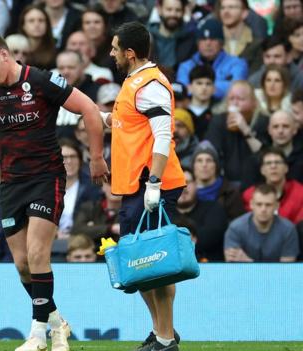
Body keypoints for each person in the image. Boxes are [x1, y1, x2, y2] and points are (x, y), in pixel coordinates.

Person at [0, 31, 109, 351]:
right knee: (22, 264)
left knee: (38, 253)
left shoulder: (41, 81)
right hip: (10, 183)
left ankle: (36, 335)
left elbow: (90, 110)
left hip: (46, 177)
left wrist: (97, 157)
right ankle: (56, 323)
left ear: (4, 55)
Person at [103, 22, 186, 351]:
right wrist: (89, 115)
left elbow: (163, 135)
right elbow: (126, 123)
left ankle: (166, 339)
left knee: (155, 262)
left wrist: (154, 182)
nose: (111, 54)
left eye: (114, 48)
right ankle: (162, 331)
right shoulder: (134, 82)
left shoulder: (152, 84)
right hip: (135, 185)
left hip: (151, 184)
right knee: (141, 263)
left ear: (129, 53)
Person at [224, 184, 299, 262]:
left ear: (277, 206)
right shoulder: (235, 228)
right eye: (259, 204)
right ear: (251, 204)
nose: (263, 209)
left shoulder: (288, 230)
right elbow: (232, 270)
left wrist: (248, 262)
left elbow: (287, 271)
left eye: (268, 205)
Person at [176, 168, 228, 262]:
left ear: (196, 184)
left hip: (211, 269)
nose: (183, 187)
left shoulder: (214, 208)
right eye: (178, 183)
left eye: (187, 182)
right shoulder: (163, 212)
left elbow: (211, 237)